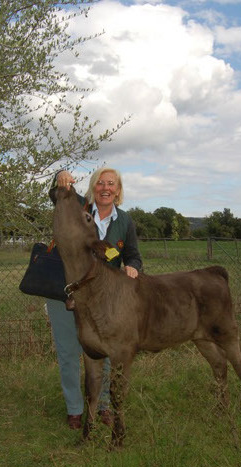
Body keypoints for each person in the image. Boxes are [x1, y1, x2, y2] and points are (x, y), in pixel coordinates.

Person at [46, 167, 143, 429]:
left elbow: (133, 255)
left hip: (104, 299)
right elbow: (56, 197)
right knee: (68, 352)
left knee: (106, 352)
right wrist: (61, 178)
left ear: (118, 190)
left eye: (111, 183)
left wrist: (133, 266)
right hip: (65, 293)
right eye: (100, 183)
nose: (105, 188)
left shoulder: (124, 221)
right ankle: (75, 409)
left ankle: (102, 406)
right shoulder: (78, 205)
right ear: (93, 186)